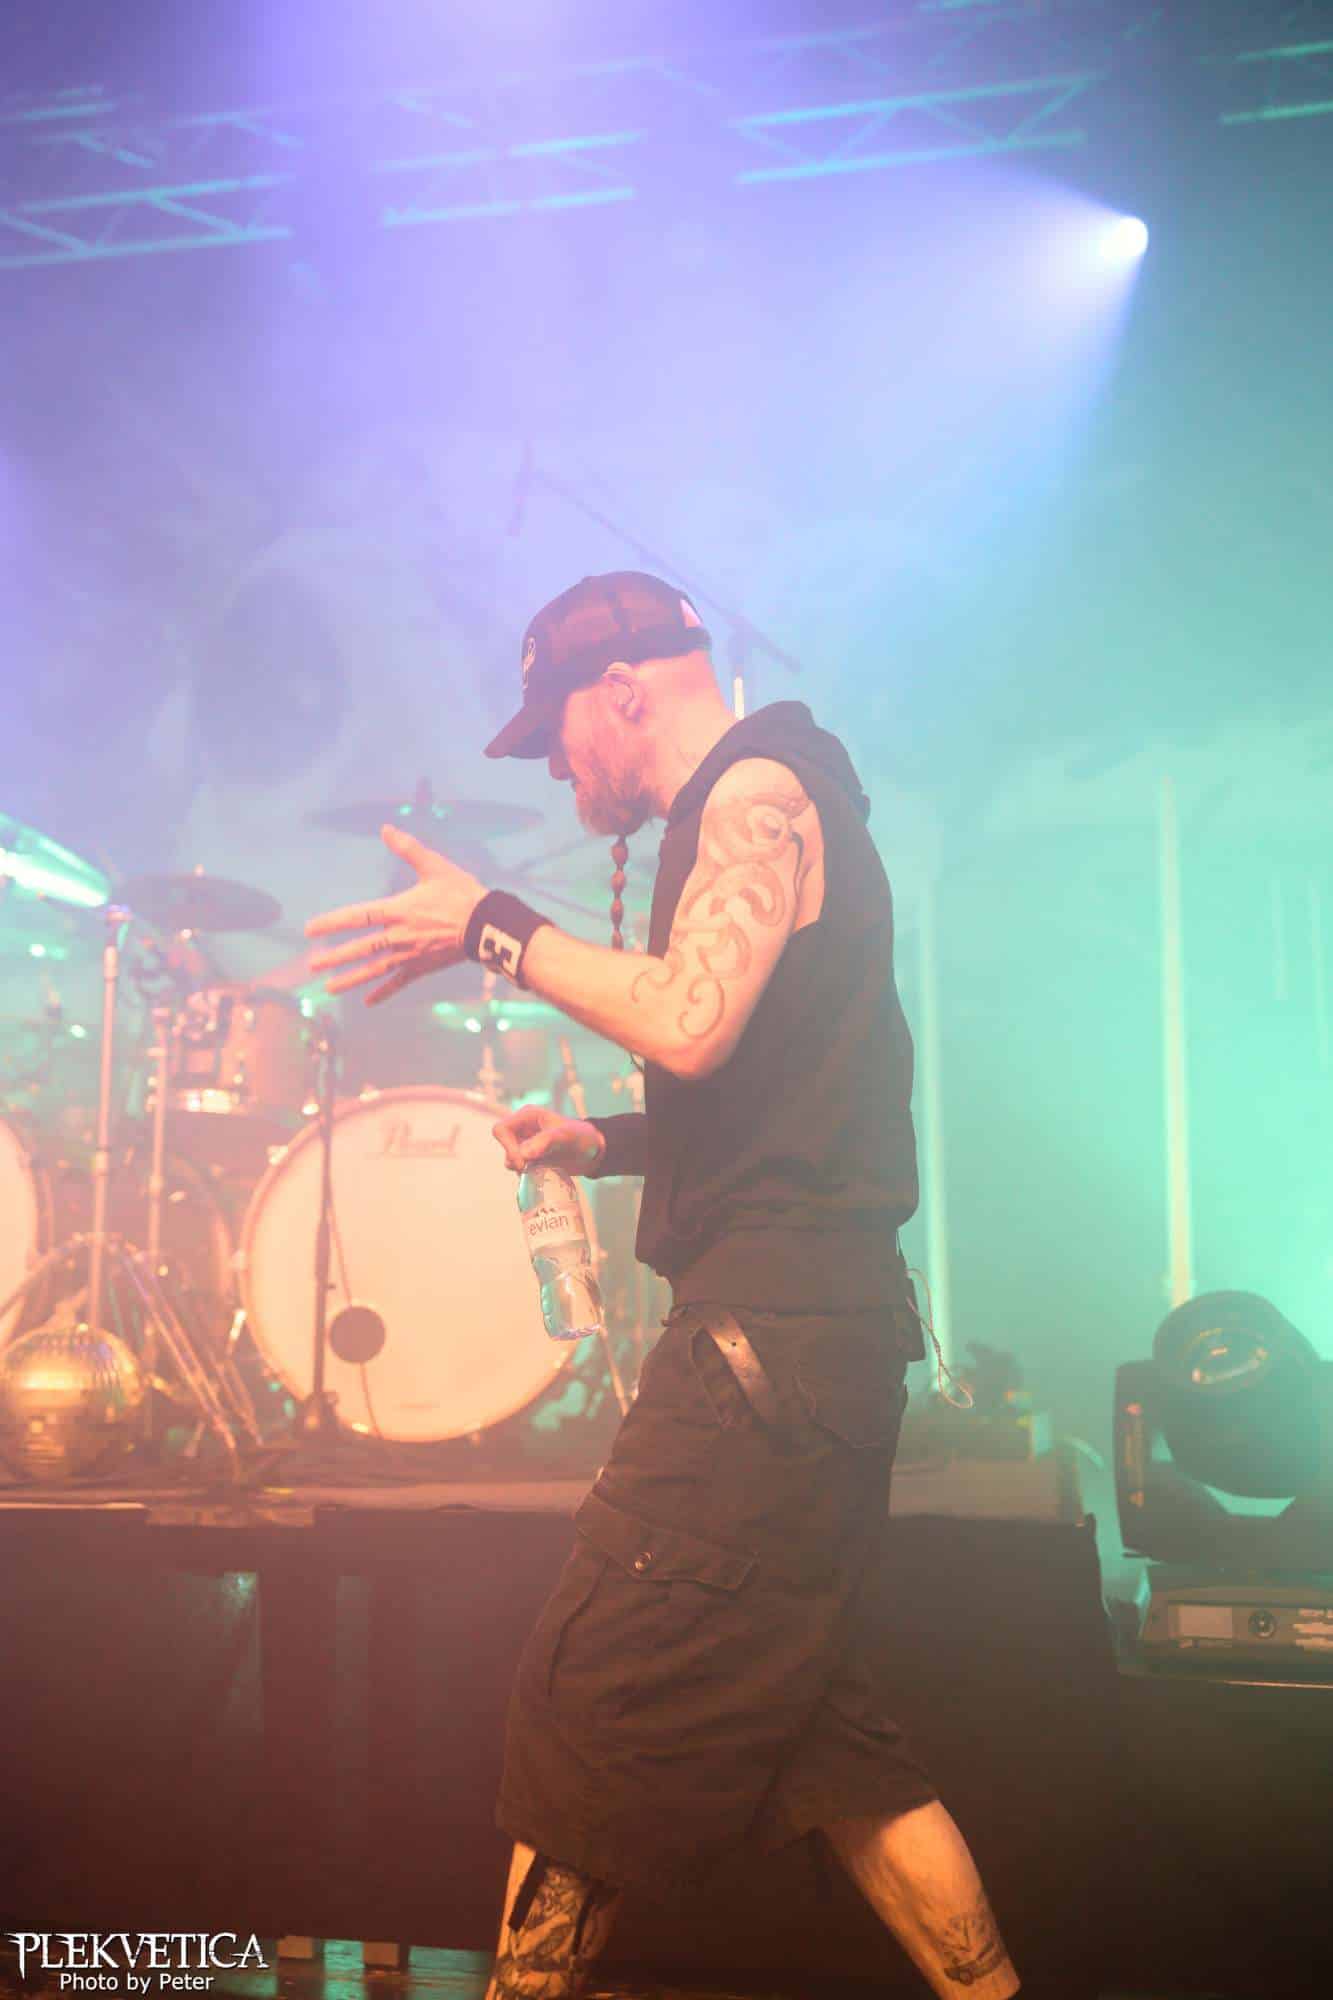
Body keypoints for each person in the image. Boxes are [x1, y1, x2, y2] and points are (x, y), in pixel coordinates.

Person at [307, 572, 1020, 2000]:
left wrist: (492, 924)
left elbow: (692, 1024)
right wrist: (611, 1143)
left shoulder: (757, 792)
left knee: (588, 1708)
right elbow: (778, 1092)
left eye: (555, 732)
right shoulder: (767, 796)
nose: (554, 765)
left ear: (623, 690)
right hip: (815, 1341)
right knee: (829, 1746)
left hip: (766, 1353)